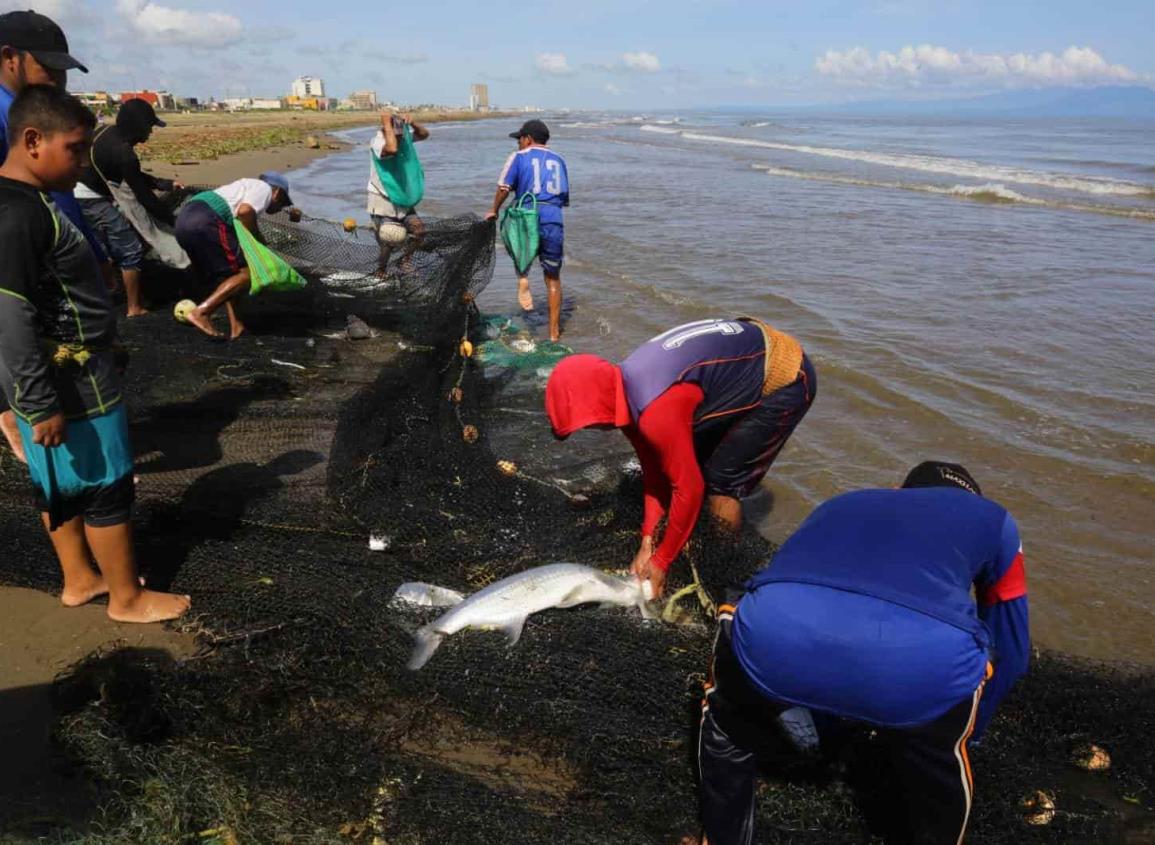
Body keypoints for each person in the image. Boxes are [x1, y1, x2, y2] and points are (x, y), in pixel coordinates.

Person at [694, 462, 1030, 845]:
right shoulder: (996, 520)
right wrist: (969, 732)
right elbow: (1013, 652)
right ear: (973, 500)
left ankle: (721, 838)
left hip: (778, 636)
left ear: (897, 490)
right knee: (942, 760)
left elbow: (796, 578)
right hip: (922, 669)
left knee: (725, 720)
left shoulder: (843, 502)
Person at [0, 85, 191, 622]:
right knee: (107, 484)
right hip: (71, 380)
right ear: (33, 141)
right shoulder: (21, 215)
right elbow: (8, 315)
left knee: (56, 483)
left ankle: (81, 579)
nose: (85, 162)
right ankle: (127, 599)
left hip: (54, 373)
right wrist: (38, 402)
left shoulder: (21, 203)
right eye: (76, 149)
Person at [546, 317, 815, 598]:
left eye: (585, 424)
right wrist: (648, 540)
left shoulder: (655, 410)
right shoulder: (626, 388)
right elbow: (654, 473)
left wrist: (662, 562)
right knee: (687, 463)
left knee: (719, 483)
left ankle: (726, 578)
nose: (590, 429)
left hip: (786, 376)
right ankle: (686, 541)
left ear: (597, 406)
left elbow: (689, 488)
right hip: (739, 362)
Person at [0, 8, 112, 465]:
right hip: (27, 267)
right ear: (10, 58)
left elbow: (59, 201)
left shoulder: (35, 112)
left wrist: (90, 249)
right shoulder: (14, 118)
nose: (60, 83)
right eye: (50, 68)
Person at [76, 97, 187, 317]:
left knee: (103, 248)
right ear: (137, 126)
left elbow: (132, 175)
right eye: (149, 126)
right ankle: (134, 308)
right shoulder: (124, 153)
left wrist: (161, 183)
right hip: (90, 198)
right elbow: (146, 199)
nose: (151, 132)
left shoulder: (106, 132)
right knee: (130, 249)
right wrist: (173, 221)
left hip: (76, 192)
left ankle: (108, 292)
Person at [173, 173, 293, 339]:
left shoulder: (242, 187)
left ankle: (237, 326)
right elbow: (245, 211)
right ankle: (201, 312)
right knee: (247, 273)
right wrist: (255, 242)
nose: (280, 207)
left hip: (184, 221)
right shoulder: (263, 188)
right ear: (277, 192)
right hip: (206, 220)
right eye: (283, 202)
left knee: (229, 275)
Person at [487, 119, 569, 342]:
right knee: (553, 278)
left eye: (519, 140)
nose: (518, 144)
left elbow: (504, 187)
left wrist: (493, 210)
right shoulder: (560, 160)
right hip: (553, 217)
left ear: (528, 139)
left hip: (527, 214)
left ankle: (522, 276)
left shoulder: (519, 157)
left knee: (513, 240)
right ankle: (553, 333)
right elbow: (563, 198)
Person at [367, 110, 427, 275]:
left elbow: (424, 135)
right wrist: (387, 122)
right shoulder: (377, 141)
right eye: (396, 128)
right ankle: (381, 272)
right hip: (382, 199)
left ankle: (404, 261)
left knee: (419, 231)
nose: (400, 134)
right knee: (389, 239)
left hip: (402, 198)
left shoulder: (402, 139)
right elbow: (392, 149)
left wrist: (412, 123)